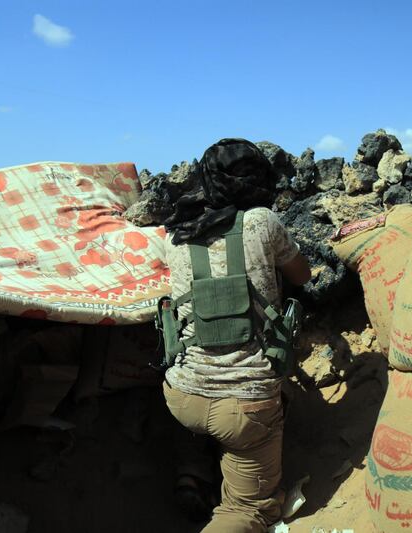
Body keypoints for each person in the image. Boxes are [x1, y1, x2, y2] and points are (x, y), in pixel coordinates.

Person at [161, 138, 311, 532]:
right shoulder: (262, 221)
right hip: (246, 406)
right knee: (249, 511)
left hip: (182, 397)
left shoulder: (173, 235)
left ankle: (193, 474)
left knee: (200, 410)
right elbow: (302, 275)